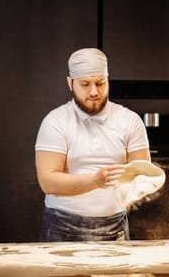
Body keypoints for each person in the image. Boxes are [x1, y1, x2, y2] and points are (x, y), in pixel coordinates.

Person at [35, 47, 151, 242]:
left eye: (100, 83)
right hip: (61, 226)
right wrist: (94, 181)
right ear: (70, 83)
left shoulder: (130, 120)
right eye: (85, 84)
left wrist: (140, 184)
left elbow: (142, 173)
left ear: (108, 79)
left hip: (115, 227)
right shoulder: (55, 121)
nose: (94, 91)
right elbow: (48, 182)